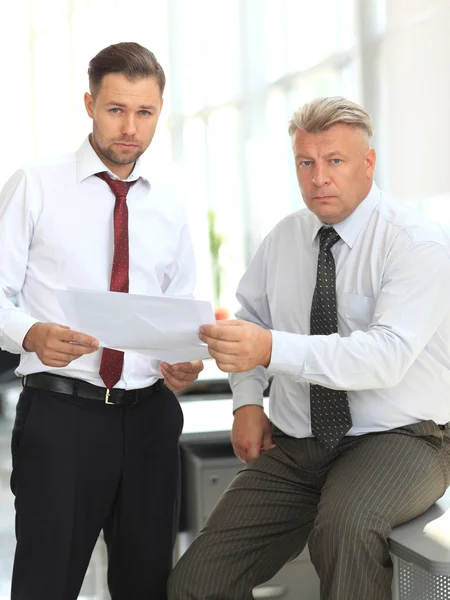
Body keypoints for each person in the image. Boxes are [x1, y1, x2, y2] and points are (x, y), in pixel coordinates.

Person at [169, 96, 450, 600]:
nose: (318, 176)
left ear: (368, 163)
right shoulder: (284, 238)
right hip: (297, 441)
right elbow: (250, 319)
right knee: (196, 580)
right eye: (306, 162)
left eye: (335, 161)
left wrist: (270, 350)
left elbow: (384, 356)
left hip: (401, 437)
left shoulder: (416, 243)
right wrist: (249, 401)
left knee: (344, 529)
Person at [0, 42, 203, 600]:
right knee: (47, 582)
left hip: (151, 421)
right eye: (116, 109)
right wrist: (30, 334)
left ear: (160, 111)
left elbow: (177, 306)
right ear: (89, 103)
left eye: (145, 112)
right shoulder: (35, 183)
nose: (130, 127)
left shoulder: (171, 202)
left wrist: (181, 359)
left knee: (146, 583)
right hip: (62, 415)